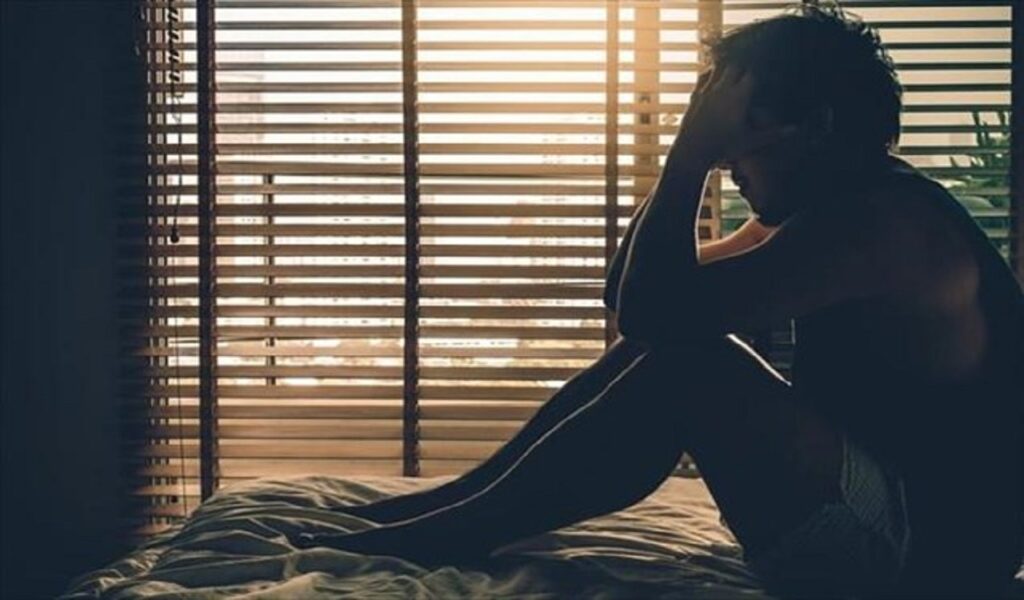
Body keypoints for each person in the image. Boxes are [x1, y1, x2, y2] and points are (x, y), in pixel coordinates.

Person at [298, 4, 1024, 597]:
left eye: (738, 134)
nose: (730, 162)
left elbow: (655, 309)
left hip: (922, 562)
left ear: (815, 127)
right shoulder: (822, 210)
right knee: (669, 342)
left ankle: (453, 529)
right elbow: (633, 297)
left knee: (691, 364)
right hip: (892, 524)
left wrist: (687, 154)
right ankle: (449, 507)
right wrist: (691, 156)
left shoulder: (882, 225)